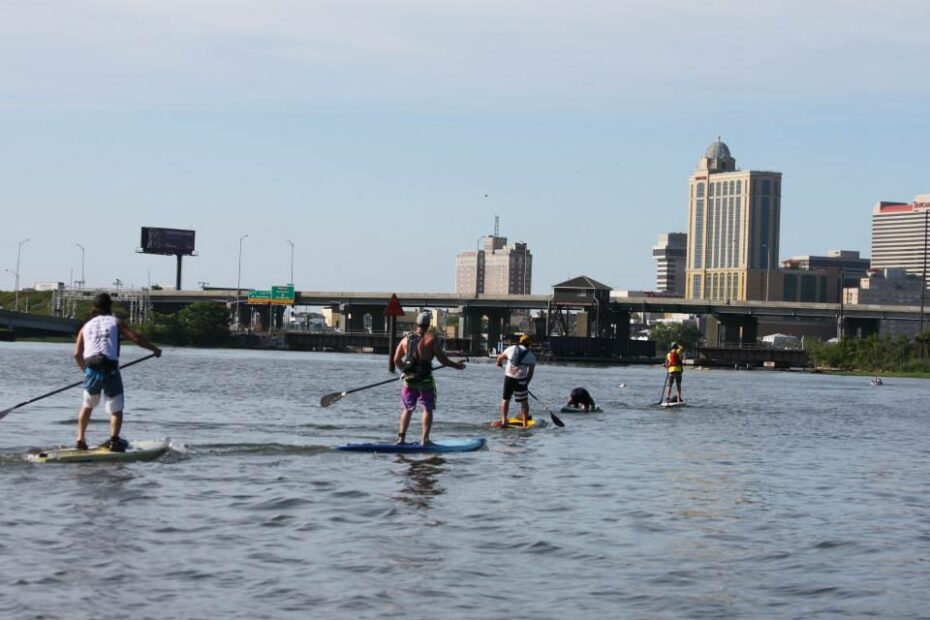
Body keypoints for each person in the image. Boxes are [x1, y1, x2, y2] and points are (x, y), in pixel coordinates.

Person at [73, 293, 162, 451]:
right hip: (110, 367)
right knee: (116, 408)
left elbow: (77, 354)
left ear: (94, 307)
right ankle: (114, 441)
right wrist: (154, 349)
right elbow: (135, 338)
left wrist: (86, 371)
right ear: (110, 306)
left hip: (92, 368)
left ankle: (80, 439)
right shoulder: (116, 321)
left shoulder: (85, 326)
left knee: (87, 405)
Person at [392, 311, 466, 445]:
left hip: (409, 381)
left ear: (416, 324)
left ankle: (401, 439)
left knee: (407, 409)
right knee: (427, 409)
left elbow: (396, 360)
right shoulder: (431, 339)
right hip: (425, 380)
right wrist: (457, 366)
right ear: (428, 325)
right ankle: (425, 440)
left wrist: (405, 371)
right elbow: (442, 360)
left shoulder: (405, 339)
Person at [495, 334, 537, 427]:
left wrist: (499, 363)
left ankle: (504, 420)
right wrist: (526, 384)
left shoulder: (511, 348)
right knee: (524, 402)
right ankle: (525, 424)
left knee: (505, 399)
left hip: (509, 378)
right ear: (529, 344)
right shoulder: (531, 355)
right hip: (521, 380)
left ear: (520, 341)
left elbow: (499, 358)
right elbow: (530, 373)